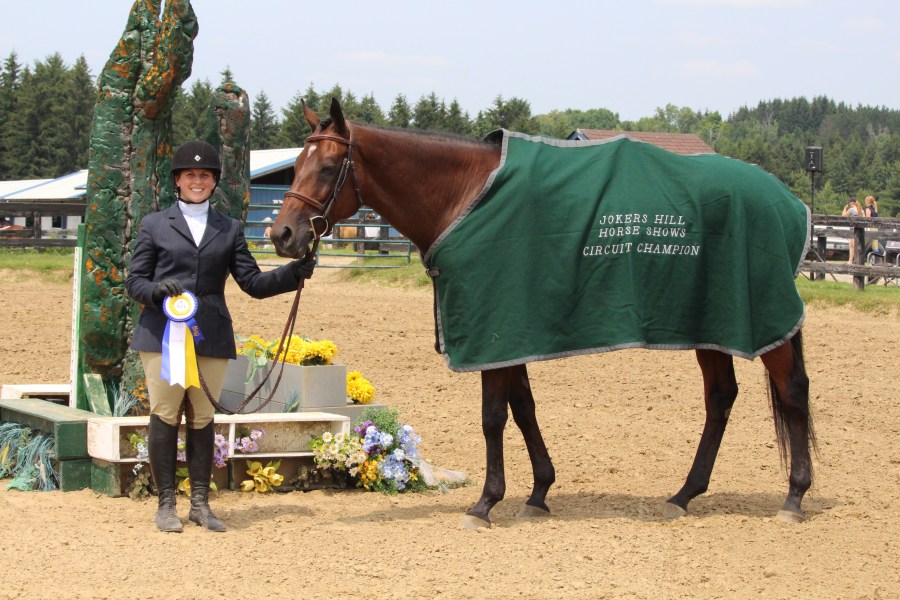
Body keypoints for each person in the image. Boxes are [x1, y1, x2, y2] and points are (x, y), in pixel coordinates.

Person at [125, 141, 314, 533]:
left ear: (214, 183)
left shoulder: (229, 228)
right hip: (162, 332)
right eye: (191, 175)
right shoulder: (155, 224)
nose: (198, 180)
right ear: (178, 180)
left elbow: (252, 282)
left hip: (210, 331)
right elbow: (134, 282)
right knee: (164, 413)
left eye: (205, 175)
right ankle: (164, 505)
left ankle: (199, 503)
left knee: (204, 416)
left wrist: (294, 272)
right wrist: (158, 291)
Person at [842, 197, 862, 263]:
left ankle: (850, 261)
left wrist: (844, 209)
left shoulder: (851, 209)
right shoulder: (860, 210)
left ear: (851, 203)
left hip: (852, 229)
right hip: (859, 229)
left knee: (851, 246)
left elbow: (843, 216)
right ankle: (853, 260)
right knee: (855, 246)